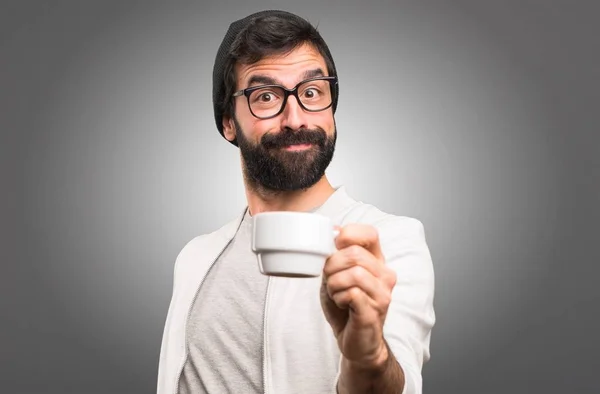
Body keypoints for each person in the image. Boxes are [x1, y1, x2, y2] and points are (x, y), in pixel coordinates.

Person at [156, 9, 435, 394]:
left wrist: (367, 357)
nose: (296, 118)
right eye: (266, 96)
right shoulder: (195, 257)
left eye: (311, 93)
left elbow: (395, 383)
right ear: (228, 122)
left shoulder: (387, 241)